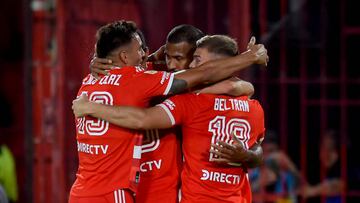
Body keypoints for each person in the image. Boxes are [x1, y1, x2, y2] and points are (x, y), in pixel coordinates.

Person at [69, 21, 268, 203]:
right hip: (132, 189)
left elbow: (257, 150)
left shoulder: (199, 98)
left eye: (182, 58)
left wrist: (246, 156)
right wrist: (100, 62)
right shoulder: (156, 83)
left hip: (169, 194)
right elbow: (131, 78)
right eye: (167, 57)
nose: (171, 65)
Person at [249, 131, 301, 203]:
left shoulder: (286, 172)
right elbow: (242, 192)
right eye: (265, 152)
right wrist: (259, 182)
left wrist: (290, 165)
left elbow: (303, 189)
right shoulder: (253, 170)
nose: (269, 156)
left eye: (272, 151)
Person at [302, 130, 344, 203]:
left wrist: (312, 191)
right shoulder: (326, 171)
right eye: (322, 148)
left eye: (330, 149)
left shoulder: (345, 168)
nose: (325, 154)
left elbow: (340, 185)